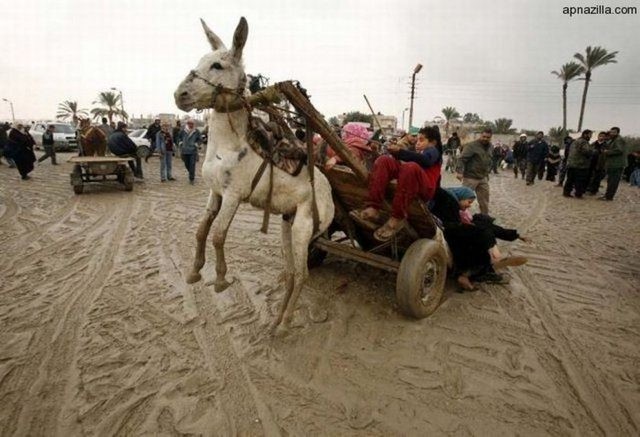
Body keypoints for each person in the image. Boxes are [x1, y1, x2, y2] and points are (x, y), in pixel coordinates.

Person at [349, 126, 442, 242]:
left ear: (433, 142)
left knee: (410, 167)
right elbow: (407, 158)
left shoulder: (433, 151)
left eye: (421, 140)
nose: (417, 143)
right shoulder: (416, 150)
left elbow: (425, 161)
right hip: (411, 179)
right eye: (417, 139)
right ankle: (373, 206)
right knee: (384, 161)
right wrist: (395, 152)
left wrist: (400, 152)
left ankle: (397, 217)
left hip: (426, 188)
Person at [430, 186, 529, 291]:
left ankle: (483, 264)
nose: (469, 205)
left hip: (450, 230)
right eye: (469, 201)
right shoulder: (449, 202)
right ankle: (493, 259)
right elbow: (449, 224)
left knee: (484, 226)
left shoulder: (452, 202)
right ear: (461, 197)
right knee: (483, 231)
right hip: (451, 233)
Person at [455, 128, 493, 214]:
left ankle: (485, 218)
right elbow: (461, 159)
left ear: (490, 137)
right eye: (484, 136)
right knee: (464, 199)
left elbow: (489, 160)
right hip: (470, 177)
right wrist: (459, 172)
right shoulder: (471, 146)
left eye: (488, 137)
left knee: (484, 201)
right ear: (480, 135)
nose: (485, 139)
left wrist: (487, 174)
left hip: (483, 177)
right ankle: (459, 216)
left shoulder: (490, 146)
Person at [563, 130, 593, 198]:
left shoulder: (574, 141)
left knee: (570, 180)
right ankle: (578, 194)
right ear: (586, 134)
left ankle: (566, 193)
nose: (590, 137)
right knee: (580, 180)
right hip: (580, 165)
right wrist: (592, 152)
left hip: (571, 164)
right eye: (590, 135)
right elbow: (586, 151)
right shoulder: (584, 142)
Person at [599, 126, 627, 201]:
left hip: (617, 164)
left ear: (617, 133)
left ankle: (609, 196)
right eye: (611, 132)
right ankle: (607, 195)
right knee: (610, 180)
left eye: (613, 132)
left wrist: (607, 152)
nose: (611, 133)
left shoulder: (618, 140)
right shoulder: (613, 140)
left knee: (613, 181)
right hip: (612, 164)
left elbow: (619, 150)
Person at [179, 119, 202, 184]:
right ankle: (191, 173)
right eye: (189, 123)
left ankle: (191, 178)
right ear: (187, 124)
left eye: (192, 124)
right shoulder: (183, 131)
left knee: (192, 164)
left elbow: (200, 139)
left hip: (193, 150)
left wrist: (196, 144)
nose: (190, 125)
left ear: (193, 124)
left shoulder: (196, 131)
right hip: (184, 150)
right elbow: (178, 137)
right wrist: (180, 143)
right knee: (186, 164)